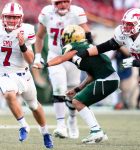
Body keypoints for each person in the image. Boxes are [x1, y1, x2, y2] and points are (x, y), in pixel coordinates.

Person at [33, 24, 120, 144]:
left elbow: (61, 58)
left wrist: (45, 65)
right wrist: (78, 89)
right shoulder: (86, 46)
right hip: (109, 79)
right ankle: (97, 131)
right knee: (81, 101)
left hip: (107, 80)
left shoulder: (74, 47)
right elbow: (91, 75)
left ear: (70, 39)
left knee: (77, 101)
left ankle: (96, 131)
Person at [75, 7, 140, 143]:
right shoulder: (123, 33)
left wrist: (136, 63)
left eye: (130, 24)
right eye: (125, 23)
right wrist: (85, 53)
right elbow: (107, 45)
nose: (126, 27)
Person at [33, 0, 93, 139]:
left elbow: (88, 34)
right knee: (59, 88)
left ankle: (72, 120)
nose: (63, 5)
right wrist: (37, 56)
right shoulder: (47, 13)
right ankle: (61, 125)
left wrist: (89, 51)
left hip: (73, 56)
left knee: (72, 90)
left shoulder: (77, 12)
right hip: (55, 55)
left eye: (66, 1)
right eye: (59, 2)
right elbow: (40, 36)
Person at [0, 2, 53, 149]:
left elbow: (30, 60)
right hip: (4, 73)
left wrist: (23, 45)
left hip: (23, 74)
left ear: (20, 18)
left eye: (14, 17)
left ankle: (45, 133)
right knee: (9, 94)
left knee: (34, 106)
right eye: (8, 17)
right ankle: (24, 125)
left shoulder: (27, 30)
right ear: (3, 17)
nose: (11, 20)